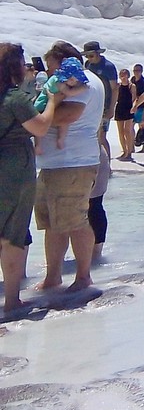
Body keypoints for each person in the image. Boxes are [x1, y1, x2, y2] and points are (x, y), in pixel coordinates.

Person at [35, 41, 105, 294]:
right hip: (55, 164)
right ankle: (53, 276)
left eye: (52, 67)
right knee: (52, 222)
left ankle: (83, 276)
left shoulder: (82, 81)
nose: (50, 73)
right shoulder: (71, 81)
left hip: (73, 163)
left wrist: (33, 118)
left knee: (75, 220)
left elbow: (67, 116)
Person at [0, 43, 64, 312]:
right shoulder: (15, 98)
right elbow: (40, 127)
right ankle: (12, 300)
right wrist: (52, 100)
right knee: (12, 234)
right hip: (13, 168)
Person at [83, 40, 119, 160]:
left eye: (91, 55)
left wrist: (111, 108)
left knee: (102, 136)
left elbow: (114, 89)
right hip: (90, 105)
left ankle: (107, 164)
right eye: (87, 56)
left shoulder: (108, 67)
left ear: (98, 53)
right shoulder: (88, 65)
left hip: (104, 106)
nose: (89, 58)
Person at [114, 67, 136, 160]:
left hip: (128, 108)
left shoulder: (132, 86)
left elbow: (134, 98)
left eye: (124, 75)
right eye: (121, 75)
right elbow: (115, 98)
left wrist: (134, 107)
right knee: (120, 131)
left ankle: (129, 150)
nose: (123, 77)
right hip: (120, 108)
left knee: (128, 130)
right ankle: (124, 150)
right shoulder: (118, 86)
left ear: (128, 75)